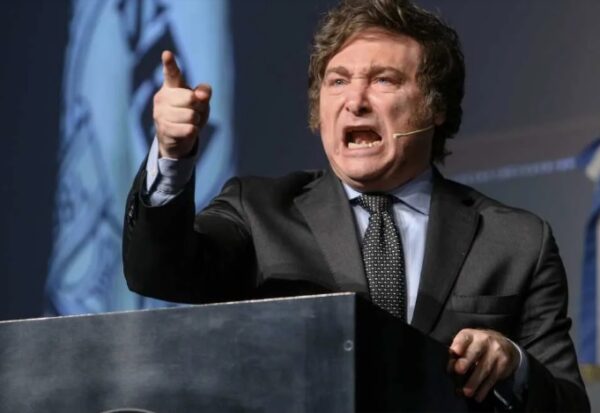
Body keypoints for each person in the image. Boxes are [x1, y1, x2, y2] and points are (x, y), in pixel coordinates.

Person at [123, 0, 589, 410]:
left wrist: (515, 366)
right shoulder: (258, 210)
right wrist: (173, 156)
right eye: (338, 81)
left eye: (384, 80)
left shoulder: (517, 241)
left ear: (436, 107)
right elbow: (158, 272)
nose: (355, 102)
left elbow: (569, 404)